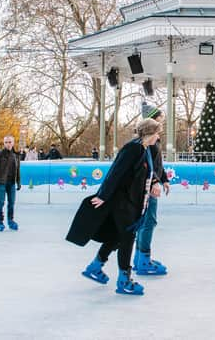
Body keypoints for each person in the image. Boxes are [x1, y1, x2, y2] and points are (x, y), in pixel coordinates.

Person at [66, 118, 163, 296]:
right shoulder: (133, 148)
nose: (158, 136)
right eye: (157, 132)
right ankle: (124, 280)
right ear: (149, 133)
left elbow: (146, 172)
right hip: (122, 202)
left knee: (118, 237)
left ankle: (95, 266)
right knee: (127, 238)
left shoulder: (144, 149)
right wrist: (102, 195)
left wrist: (154, 183)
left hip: (133, 202)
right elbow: (116, 172)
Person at [133, 102, 171, 276]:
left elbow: (157, 164)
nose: (162, 122)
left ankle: (140, 257)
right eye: (159, 119)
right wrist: (156, 181)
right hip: (147, 187)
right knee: (149, 222)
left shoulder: (154, 141)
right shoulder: (148, 143)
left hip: (151, 184)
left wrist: (163, 179)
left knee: (146, 222)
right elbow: (147, 166)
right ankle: (143, 259)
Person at [0, 135, 21, 231]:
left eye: (10, 142)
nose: (8, 144)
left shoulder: (16, 155)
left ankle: (11, 220)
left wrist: (18, 182)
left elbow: (18, 170)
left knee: (11, 203)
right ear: (4, 143)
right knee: (1, 202)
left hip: (11, 183)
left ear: (13, 143)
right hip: (1, 182)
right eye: (6, 142)